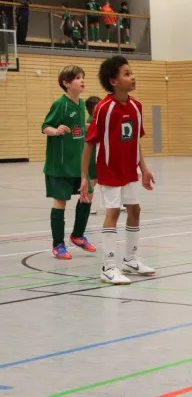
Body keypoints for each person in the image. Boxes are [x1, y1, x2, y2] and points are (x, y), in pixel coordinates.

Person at [80, 55, 156, 285]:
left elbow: (135, 141)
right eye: (127, 74)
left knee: (135, 210)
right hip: (110, 170)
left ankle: (130, 259)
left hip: (129, 170)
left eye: (131, 73)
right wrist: (84, 177)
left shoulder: (136, 106)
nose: (133, 77)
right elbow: (89, 143)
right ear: (113, 81)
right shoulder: (104, 109)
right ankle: (108, 267)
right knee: (112, 213)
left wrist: (144, 168)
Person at [41, 65, 96, 259]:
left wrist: (97, 126)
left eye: (83, 77)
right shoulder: (60, 104)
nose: (82, 80)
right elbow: (45, 126)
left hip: (78, 164)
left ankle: (78, 235)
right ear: (66, 83)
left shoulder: (80, 104)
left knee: (87, 195)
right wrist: (55, 131)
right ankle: (58, 245)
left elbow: (80, 127)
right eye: (77, 78)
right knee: (60, 201)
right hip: (60, 165)